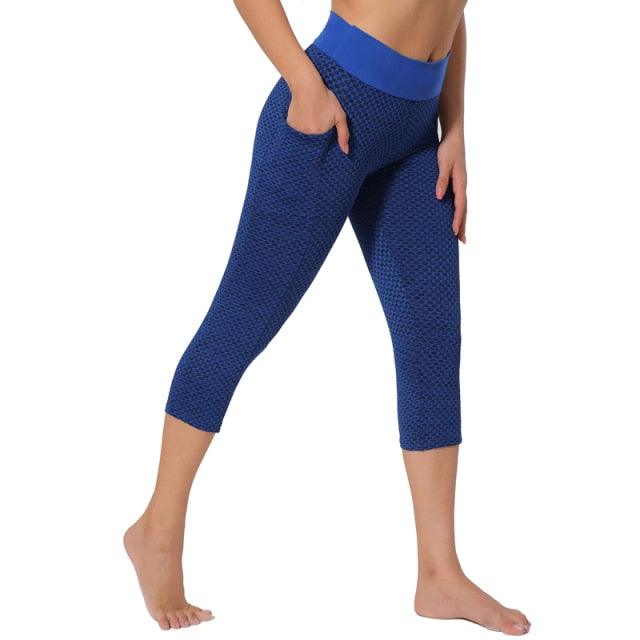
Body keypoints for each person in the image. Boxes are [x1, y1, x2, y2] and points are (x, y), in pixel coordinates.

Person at [124, 0, 531, 634]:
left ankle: (439, 573)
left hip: (418, 133)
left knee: (431, 343)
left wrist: (453, 126)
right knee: (240, 323)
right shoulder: (318, 97)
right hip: (334, 108)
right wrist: (303, 83)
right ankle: (157, 528)